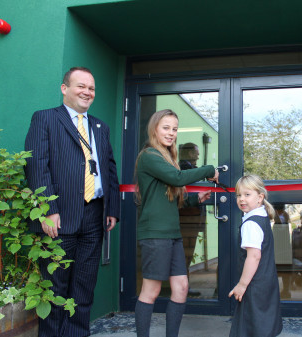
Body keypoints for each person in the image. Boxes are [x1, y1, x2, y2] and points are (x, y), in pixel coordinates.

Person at [24, 67, 120, 337]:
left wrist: (111, 209)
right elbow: (36, 166)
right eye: (81, 86)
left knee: (84, 285)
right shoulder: (45, 119)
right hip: (60, 216)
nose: (87, 92)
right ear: (64, 88)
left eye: (91, 88)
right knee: (55, 288)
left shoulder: (100, 126)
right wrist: (48, 209)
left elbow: (109, 168)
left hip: (94, 215)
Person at [134, 109, 219, 337]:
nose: (171, 133)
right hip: (155, 234)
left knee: (181, 288)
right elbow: (178, 179)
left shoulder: (167, 158)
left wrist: (195, 198)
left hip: (172, 234)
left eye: (174, 129)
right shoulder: (149, 155)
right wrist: (210, 170)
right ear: (154, 129)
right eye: (166, 128)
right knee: (150, 291)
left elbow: (172, 198)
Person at [229, 175, 283, 337]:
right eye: (238, 195)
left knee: (252, 324)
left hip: (254, 283)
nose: (241, 199)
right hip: (265, 279)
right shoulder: (261, 218)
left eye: (247, 194)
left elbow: (254, 257)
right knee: (262, 320)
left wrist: (242, 285)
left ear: (260, 197)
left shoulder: (251, 224)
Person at [178, 142, 206, 297]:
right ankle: (182, 288)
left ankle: (183, 287)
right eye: (196, 152)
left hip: (191, 219)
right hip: (187, 219)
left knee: (185, 254)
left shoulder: (189, 169)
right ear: (189, 154)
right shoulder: (186, 169)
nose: (199, 155)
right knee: (185, 254)